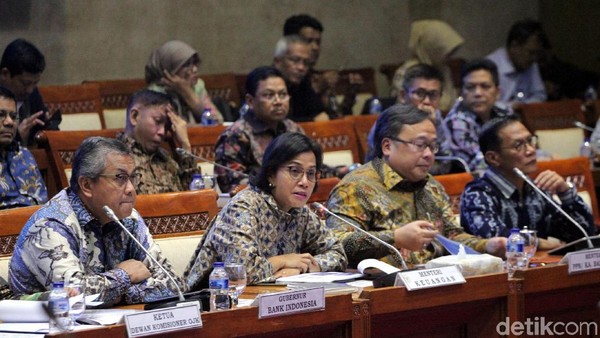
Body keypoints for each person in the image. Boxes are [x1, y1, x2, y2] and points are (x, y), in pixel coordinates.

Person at [326, 104, 506, 268]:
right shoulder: (356, 187)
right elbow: (337, 244)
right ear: (387, 146)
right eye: (420, 145)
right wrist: (395, 238)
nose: (428, 154)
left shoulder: (431, 186)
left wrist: (487, 245)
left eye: (432, 146)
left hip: (437, 281)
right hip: (384, 289)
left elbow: (451, 237)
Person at [9, 137, 183, 305]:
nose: (131, 189)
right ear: (86, 185)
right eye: (120, 178)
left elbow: (173, 283)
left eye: (132, 178)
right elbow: (73, 296)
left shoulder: (129, 218)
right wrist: (124, 276)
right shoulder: (50, 226)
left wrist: (118, 294)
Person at [185, 132, 347, 289]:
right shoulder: (242, 207)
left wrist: (303, 267)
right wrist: (284, 261)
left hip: (268, 298)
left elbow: (338, 253)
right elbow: (241, 271)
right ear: (271, 175)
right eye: (295, 171)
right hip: (212, 304)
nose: (305, 182)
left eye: (311, 173)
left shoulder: (300, 212)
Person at [460, 116, 595, 248]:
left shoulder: (535, 189)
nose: (531, 150)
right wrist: (539, 243)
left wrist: (565, 192)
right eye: (518, 146)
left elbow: (582, 234)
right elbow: (494, 237)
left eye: (530, 141)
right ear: (493, 158)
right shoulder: (477, 193)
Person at [215, 66, 303, 193]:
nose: (278, 101)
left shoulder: (293, 129)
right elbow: (233, 186)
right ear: (250, 101)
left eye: (283, 94)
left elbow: (313, 169)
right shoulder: (234, 136)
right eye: (269, 95)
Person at [366, 64, 451, 174]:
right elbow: (373, 163)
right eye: (420, 93)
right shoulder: (389, 120)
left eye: (433, 95)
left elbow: (447, 163)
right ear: (402, 95)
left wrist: (433, 127)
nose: (426, 101)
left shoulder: (437, 118)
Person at [118, 89, 198, 194]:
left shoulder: (165, 158)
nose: (163, 132)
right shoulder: (115, 157)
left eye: (167, 126)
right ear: (134, 116)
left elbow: (191, 197)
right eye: (158, 121)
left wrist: (185, 144)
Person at [283, 14, 363, 117]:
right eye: (309, 41)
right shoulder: (280, 79)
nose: (315, 47)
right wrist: (316, 89)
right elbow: (288, 122)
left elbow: (336, 121)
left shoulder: (316, 77)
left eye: (318, 42)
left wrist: (350, 96)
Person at [444, 59, 511, 174]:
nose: (478, 93)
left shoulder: (504, 113)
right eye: (470, 87)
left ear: (498, 92)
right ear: (460, 92)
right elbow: (480, 164)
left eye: (485, 86)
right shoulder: (456, 122)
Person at [145, 40, 224, 124]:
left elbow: (217, 122)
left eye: (194, 63)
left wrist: (188, 94)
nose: (195, 69)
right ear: (169, 70)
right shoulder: (155, 94)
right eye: (186, 65)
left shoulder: (197, 86)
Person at [391, 20, 464, 112]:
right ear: (432, 48)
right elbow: (402, 111)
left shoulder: (444, 69)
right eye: (443, 51)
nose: (449, 57)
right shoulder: (406, 72)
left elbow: (452, 105)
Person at [0, 38, 61, 146]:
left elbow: (44, 133)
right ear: (5, 74)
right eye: (25, 83)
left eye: (35, 83)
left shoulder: (33, 94)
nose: (30, 90)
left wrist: (48, 128)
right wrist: (16, 136)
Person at [0, 86, 47, 209]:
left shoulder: (24, 155)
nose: (9, 122)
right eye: (1, 115)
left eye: (14, 116)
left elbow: (43, 203)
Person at [486, 19, 547, 106]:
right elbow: (485, 104)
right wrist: (510, 107)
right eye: (530, 53)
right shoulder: (489, 66)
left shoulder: (531, 64)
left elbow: (540, 95)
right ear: (514, 46)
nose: (534, 58)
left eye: (537, 53)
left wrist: (524, 106)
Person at [273, 35, 328, 122]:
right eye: (295, 60)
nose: (301, 67)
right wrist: (312, 120)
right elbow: (277, 123)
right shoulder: (264, 84)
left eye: (306, 62)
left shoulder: (302, 82)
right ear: (277, 61)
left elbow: (320, 114)